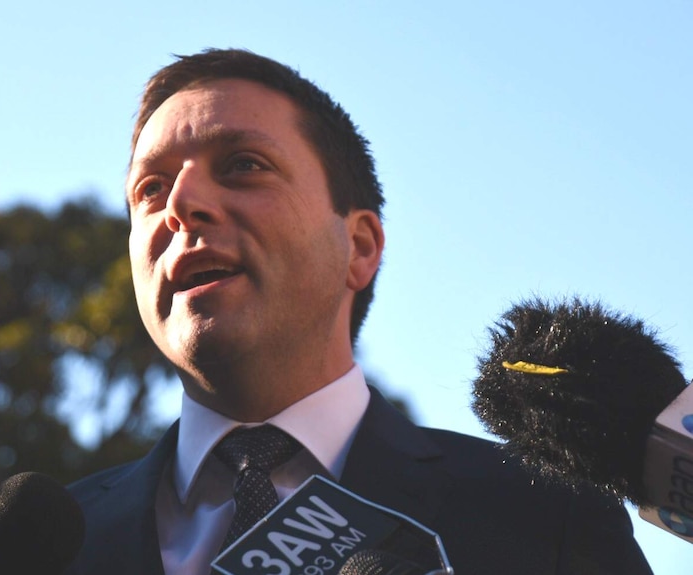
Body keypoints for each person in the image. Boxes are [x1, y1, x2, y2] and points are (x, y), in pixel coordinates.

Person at [66, 48, 652, 575]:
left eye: (243, 164)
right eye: (150, 189)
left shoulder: (546, 513)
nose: (181, 205)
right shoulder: (41, 551)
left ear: (360, 246)